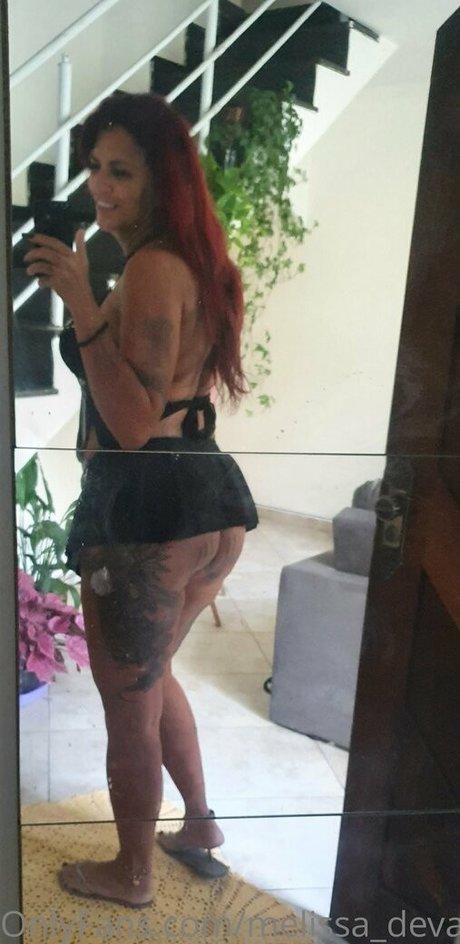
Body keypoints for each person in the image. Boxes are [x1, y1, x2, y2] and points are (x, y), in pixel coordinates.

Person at [25, 91, 258, 909]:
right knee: (152, 680)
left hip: (148, 511)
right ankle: (197, 823)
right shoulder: (187, 262)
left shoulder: (153, 269)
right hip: (200, 497)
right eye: (95, 167)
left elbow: (129, 424)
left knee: (128, 705)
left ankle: (131, 874)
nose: (100, 186)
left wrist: (82, 302)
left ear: (163, 180)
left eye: (121, 171)